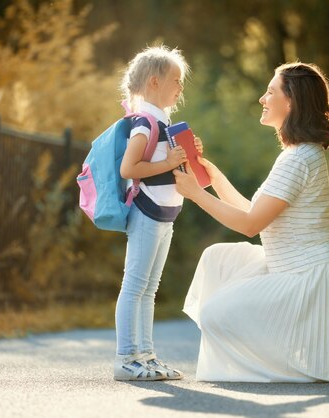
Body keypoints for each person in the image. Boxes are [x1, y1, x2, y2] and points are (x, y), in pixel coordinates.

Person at [173, 62, 329, 383]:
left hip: (309, 279)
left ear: (292, 102)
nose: (263, 98)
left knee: (213, 314)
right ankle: (289, 360)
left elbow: (250, 225)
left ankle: (292, 366)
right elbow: (257, 214)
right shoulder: (299, 154)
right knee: (218, 258)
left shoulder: (299, 158)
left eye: (271, 92)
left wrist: (195, 193)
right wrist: (214, 177)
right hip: (292, 270)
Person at [114, 45, 202, 381]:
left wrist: (187, 154)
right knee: (134, 285)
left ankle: (146, 356)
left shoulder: (163, 122)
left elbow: (171, 166)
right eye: (176, 81)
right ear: (154, 82)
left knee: (149, 289)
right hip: (148, 212)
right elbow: (128, 167)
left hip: (166, 214)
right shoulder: (145, 123)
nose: (180, 87)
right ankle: (126, 358)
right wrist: (168, 161)